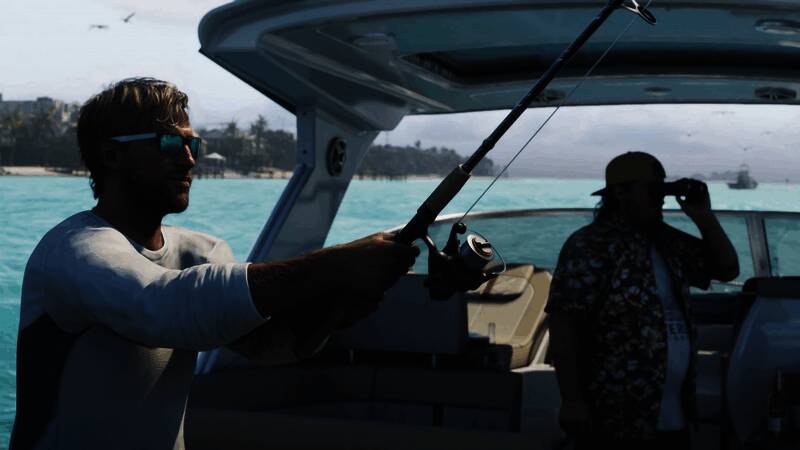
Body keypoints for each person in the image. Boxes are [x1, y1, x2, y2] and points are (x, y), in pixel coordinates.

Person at [10, 78, 418, 450]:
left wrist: (356, 294)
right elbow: (163, 306)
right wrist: (337, 265)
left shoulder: (200, 252)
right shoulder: (73, 252)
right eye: (171, 144)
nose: (189, 161)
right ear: (113, 154)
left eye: (195, 145)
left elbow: (271, 344)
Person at [545, 151, 739, 449]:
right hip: (616, 415)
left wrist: (703, 215)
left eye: (662, 190)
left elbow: (726, 269)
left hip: (674, 414)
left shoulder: (665, 241)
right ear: (620, 193)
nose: (661, 199)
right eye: (652, 190)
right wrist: (572, 400)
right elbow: (564, 323)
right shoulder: (589, 245)